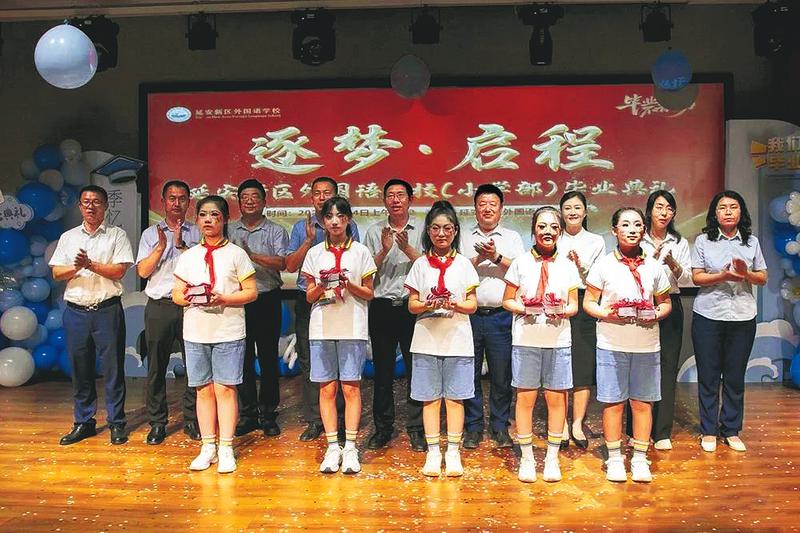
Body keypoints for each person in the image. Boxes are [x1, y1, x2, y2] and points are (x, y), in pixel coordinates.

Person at [584, 207, 672, 483]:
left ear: (643, 230)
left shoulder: (654, 266)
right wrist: (606, 313)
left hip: (646, 345)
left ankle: (640, 458)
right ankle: (614, 458)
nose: (632, 229)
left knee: (642, 403)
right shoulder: (603, 265)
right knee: (613, 403)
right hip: (611, 344)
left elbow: (665, 303)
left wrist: (655, 314)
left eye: (637, 225)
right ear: (614, 230)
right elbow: (589, 302)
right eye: (625, 225)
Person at [173, 196, 257, 473]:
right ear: (197, 220)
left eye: (214, 215)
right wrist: (191, 296)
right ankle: (208, 446)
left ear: (224, 220)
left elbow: (251, 292)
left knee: (225, 388)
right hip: (195, 331)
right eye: (203, 215)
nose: (208, 220)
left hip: (228, 330)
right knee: (203, 389)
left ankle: (226, 447)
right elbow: (176, 294)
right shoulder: (188, 256)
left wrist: (224, 298)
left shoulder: (236, 254)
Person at [50, 184, 134, 446]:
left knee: (113, 369)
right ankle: (84, 422)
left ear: (106, 206)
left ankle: (117, 423)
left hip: (107, 310)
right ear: (79, 206)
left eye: (96, 201)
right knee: (80, 369)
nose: (90, 206)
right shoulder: (68, 237)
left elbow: (119, 271)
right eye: (86, 202)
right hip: (76, 312)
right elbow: (57, 273)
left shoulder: (116, 235)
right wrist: (76, 268)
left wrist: (89, 264)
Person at [502, 207, 580, 483]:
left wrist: (562, 310)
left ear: (560, 232)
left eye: (554, 227)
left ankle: (551, 458)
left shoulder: (568, 265)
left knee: (556, 400)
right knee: (525, 399)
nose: (548, 232)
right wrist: (524, 307)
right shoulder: (520, 263)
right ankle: (526, 457)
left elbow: (574, 305)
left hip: (558, 341)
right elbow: (507, 300)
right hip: (526, 340)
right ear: (533, 229)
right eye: (542, 226)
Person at [301, 196, 376, 474]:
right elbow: (309, 296)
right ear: (322, 221)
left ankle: (351, 447)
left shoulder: (361, 252)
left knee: (351, 388)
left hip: (352, 326)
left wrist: (348, 284)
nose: (335, 222)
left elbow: (369, 292)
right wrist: (323, 285)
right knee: (327, 388)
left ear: (348, 219)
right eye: (329, 217)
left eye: (340, 216)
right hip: (322, 327)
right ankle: (333, 447)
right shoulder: (314, 254)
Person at [406, 200, 479, 477]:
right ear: (428, 231)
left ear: (455, 231)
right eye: (435, 228)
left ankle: (454, 452)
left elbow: (472, 304)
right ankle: (434, 452)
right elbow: (412, 304)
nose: (441, 233)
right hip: (426, 339)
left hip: (458, 339)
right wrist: (426, 304)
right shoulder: (420, 264)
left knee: (456, 398)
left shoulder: (464, 264)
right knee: (430, 399)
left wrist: (455, 304)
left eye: (447, 228)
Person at [691, 191, 767, 453]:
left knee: (734, 376)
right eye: (722, 207)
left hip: (742, 316)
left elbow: (762, 277)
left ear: (741, 212)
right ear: (714, 213)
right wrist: (722, 276)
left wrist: (746, 274)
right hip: (708, 315)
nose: (728, 211)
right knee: (709, 376)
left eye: (733, 207)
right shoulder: (703, 241)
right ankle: (708, 430)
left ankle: (731, 430)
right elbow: (697, 277)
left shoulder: (751, 242)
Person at [285, 177, 358, 441]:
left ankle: (341, 420)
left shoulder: (350, 226)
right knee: (310, 361)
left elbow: (356, 262)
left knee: (344, 365)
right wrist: (307, 241)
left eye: (327, 192)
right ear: (311, 197)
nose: (322, 197)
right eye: (317, 193)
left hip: (343, 300)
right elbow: (290, 266)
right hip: (311, 300)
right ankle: (316, 420)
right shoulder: (300, 227)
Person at [625, 190, 692, 451]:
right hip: (639, 304)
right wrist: (651, 259)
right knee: (637, 365)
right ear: (649, 210)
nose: (664, 213)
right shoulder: (635, 237)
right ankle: (634, 429)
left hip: (669, 304)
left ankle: (662, 431)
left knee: (667, 366)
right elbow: (628, 273)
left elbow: (687, 279)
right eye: (659, 207)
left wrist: (672, 262)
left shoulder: (679, 241)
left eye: (669, 208)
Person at [459, 184, 525, 449]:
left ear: (501, 209)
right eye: (482, 204)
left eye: (492, 204)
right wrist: (478, 258)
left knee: (501, 374)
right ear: (475, 208)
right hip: (470, 315)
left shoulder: (512, 237)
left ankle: (499, 426)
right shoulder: (463, 235)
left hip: (501, 315)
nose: (487, 209)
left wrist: (495, 257)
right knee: (470, 371)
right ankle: (473, 427)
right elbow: (456, 269)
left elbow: (521, 270)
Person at [136, 180, 201, 445]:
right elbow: (143, 271)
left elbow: (202, 269)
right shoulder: (150, 234)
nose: (177, 203)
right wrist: (161, 248)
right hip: (159, 306)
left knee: (194, 366)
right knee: (156, 366)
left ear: (189, 202)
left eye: (182, 198)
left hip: (191, 306)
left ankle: (192, 419)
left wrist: (182, 245)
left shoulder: (198, 232)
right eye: (172, 198)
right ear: (163, 202)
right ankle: (157, 422)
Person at [362, 179, 425, 451]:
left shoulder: (423, 228)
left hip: (412, 307)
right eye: (390, 195)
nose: (396, 200)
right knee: (383, 372)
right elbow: (364, 271)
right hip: (382, 307)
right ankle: (383, 428)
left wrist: (408, 249)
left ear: (411, 199)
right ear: (384, 200)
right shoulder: (373, 231)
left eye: (401, 195)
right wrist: (385, 250)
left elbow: (430, 267)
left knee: (416, 370)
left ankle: (417, 428)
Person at [229, 179, 289, 438]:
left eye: (255, 196)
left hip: (267, 299)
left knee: (267, 358)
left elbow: (282, 263)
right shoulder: (229, 230)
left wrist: (250, 256)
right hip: (239, 301)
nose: (250, 201)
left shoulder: (276, 230)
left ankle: (268, 413)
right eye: (245, 197)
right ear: (239, 202)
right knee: (241, 357)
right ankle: (248, 413)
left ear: (264, 202)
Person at [557, 191, 606, 449]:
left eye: (577, 207)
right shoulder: (554, 236)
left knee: (583, 364)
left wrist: (579, 265)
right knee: (560, 361)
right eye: (567, 208)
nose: (573, 212)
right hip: (559, 303)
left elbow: (597, 278)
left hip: (586, 301)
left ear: (585, 212)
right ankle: (561, 424)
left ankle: (577, 423)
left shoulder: (596, 241)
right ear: (561, 212)